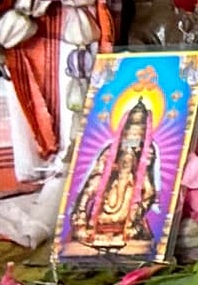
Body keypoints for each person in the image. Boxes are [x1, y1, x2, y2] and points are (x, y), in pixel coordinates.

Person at [71, 84, 167, 250]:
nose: (133, 145)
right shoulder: (110, 152)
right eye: (130, 138)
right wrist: (81, 210)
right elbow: (94, 179)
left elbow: (148, 189)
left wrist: (139, 209)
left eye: (138, 140)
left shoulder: (145, 154)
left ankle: (128, 227)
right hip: (108, 197)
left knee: (131, 200)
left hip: (129, 200)